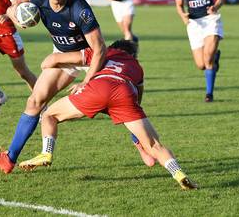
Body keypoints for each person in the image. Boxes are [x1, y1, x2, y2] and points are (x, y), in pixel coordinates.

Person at [0, 0, 155, 174]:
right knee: (35, 101)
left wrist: (87, 81)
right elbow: (14, 4)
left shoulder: (80, 9)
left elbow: (99, 49)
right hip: (65, 57)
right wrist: (16, 16)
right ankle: (9, 159)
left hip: (91, 58)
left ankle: (140, 143)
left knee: (122, 103)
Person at [18, 40, 197, 190]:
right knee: (155, 145)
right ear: (133, 55)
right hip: (124, 93)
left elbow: (53, 60)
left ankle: (46, 153)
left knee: (49, 115)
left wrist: (48, 65)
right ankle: (179, 174)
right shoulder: (137, 67)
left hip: (98, 88)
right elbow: (138, 99)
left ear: (113, 47)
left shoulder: (103, 52)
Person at [174, 0, 223, 103]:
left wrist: (215, 6)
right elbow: (179, 5)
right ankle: (215, 58)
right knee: (201, 65)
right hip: (194, 24)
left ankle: (209, 94)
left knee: (207, 60)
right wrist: (183, 16)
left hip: (210, 20)